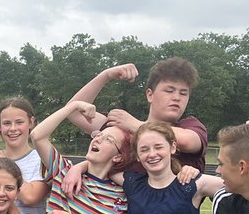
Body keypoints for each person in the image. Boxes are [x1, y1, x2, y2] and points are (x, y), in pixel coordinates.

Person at [68, 58, 208, 173]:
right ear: (150, 94)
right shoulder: (119, 130)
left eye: (183, 93)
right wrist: (106, 75)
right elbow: (73, 111)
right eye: (169, 90)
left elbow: (188, 141)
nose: (177, 97)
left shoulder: (191, 126)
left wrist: (136, 126)